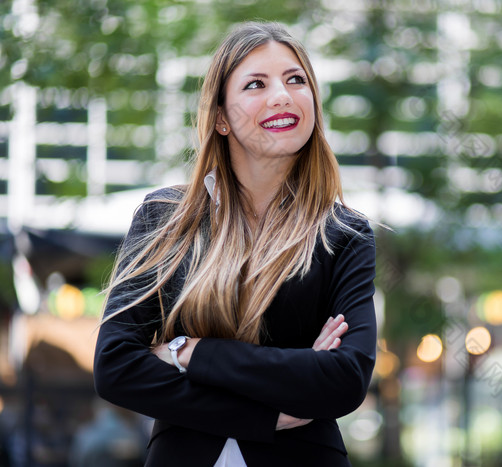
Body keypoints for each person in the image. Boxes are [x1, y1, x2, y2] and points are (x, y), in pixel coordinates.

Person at [93, 21, 377, 466]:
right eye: (256, 84)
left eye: (295, 79)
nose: (282, 95)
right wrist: (265, 410)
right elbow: (116, 368)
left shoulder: (344, 233)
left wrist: (189, 351)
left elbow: (344, 378)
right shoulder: (165, 217)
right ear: (221, 117)